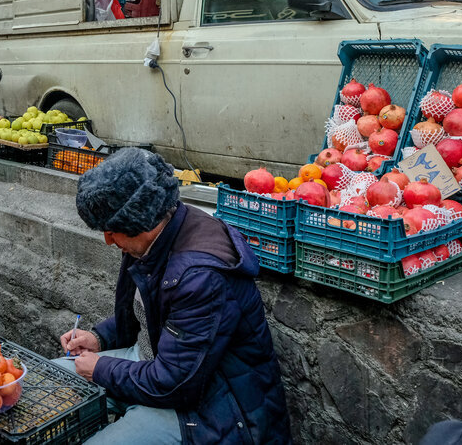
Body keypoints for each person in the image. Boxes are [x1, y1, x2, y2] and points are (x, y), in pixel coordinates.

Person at [60, 148, 291, 444]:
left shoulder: (199, 275)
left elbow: (174, 384)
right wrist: (100, 339)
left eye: (111, 230)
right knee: (49, 384)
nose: (108, 240)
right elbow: (149, 316)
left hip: (213, 406)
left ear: (141, 221)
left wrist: (102, 369)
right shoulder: (152, 235)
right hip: (155, 364)